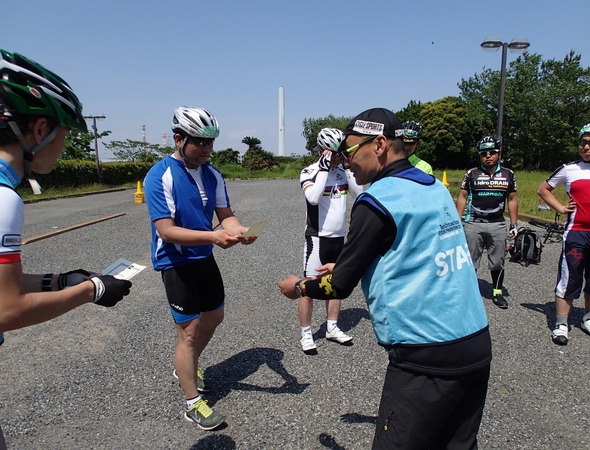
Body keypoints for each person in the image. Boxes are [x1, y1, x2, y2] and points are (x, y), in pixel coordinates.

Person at [279, 108, 491, 449]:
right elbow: (418, 248)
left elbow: (339, 285)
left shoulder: (376, 199)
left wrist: (299, 286)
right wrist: (355, 263)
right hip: (475, 341)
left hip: (426, 353)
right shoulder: (434, 187)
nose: (346, 162)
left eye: (349, 152)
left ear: (379, 144)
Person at [0, 49, 132, 449]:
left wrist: (58, 280)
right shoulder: (5, 199)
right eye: (65, 133)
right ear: (39, 130)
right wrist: (91, 291)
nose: (64, 145)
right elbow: (6, 309)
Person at [144, 106, 258, 430]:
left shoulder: (213, 174)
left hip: (203, 256)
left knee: (215, 317)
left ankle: (187, 364)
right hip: (175, 260)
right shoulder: (159, 175)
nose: (207, 150)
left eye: (211, 143)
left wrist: (240, 230)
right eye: (200, 143)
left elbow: (226, 215)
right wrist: (213, 236)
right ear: (179, 139)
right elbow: (165, 230)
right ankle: (193, 403)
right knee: (189, 331)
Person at [297, 128, 362, 354]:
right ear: (323, 151)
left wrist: (348, 167)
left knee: (335, 284)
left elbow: (359, 194)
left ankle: (332, 327)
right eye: (334, 154)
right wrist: (325, 168)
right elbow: (313, 199)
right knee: (308, 286)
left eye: (340, 154)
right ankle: (306, 333)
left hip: (339, 238)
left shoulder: (342, 171)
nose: (337, 158)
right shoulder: (310, 171)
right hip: (317, 237)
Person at [537, 121, 590, 345]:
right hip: (577, 233)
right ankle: (561, 323)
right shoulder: (569, 168)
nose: (586, 147)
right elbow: (543, 189)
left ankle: (589, 319)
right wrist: (561, 208)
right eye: (583, 142)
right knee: (569, 278)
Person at [456, 136, 519, 309]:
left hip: (497, 223)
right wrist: (457, 220)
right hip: (473, 222)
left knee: (497, 260)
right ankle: (468, 292)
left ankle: (497, 292)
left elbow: (512, 199)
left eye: (492, 152)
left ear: (499, 153)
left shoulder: (508, 174)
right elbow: (463, 196)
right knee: (470, 260)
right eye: (484, 153)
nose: (488, 156)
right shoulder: (472, 173)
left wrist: (514, 224)